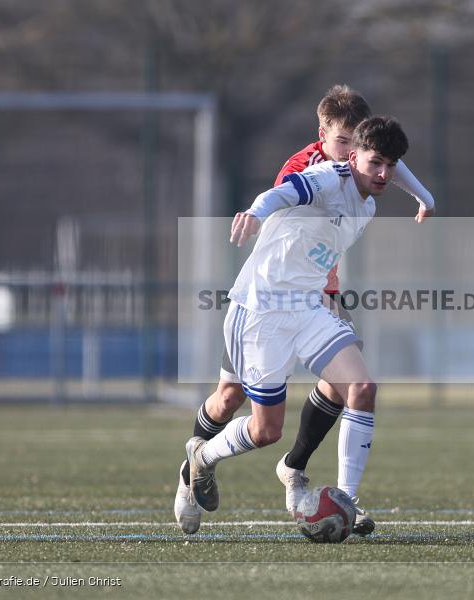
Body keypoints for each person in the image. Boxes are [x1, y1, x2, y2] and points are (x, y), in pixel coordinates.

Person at [174, 86, 433, 535]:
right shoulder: (320, 175)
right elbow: (284, 192)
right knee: (263, 428)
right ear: (340, 149)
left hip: (311, 304)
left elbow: (386, 158)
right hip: (262, 310)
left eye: (384, 162)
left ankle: (345, 501)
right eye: (357, 151)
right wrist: (254, 212)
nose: (383, 171)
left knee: (362, 387)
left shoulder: (369, 193)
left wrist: (424, 197)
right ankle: (201, 456)